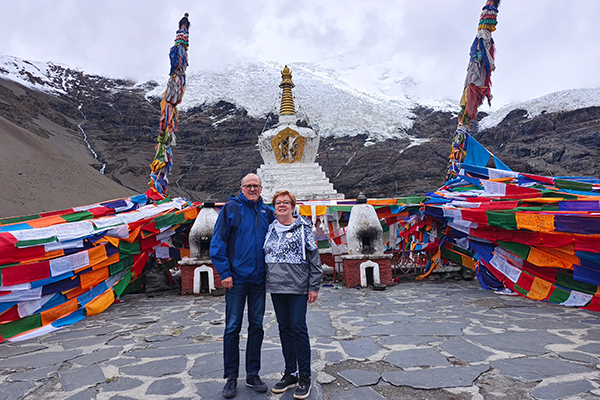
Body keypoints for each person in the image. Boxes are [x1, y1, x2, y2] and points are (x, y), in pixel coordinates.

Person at [210, 173, 274, 399]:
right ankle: (230, 377)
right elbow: (218, 243)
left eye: (256, 186)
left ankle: (253, 374)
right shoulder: (231, 208)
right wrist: (225, 273)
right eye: (248, 186)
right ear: (241, 188)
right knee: (232, 327)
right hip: (235, 280)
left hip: (258, 280)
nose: (252, 189)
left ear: (261, 188)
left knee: (256, 326)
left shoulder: (268, 212)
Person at [263, 190, 322, 399]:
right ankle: (291, 373)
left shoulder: (304, 228)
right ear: (274, 206)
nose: (282, 206)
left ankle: (305, 374)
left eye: (286, 202)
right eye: (278, 202)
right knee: (284, 329)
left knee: (298, 328)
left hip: (297, 287)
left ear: (293, 206)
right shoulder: (270, 229)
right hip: (277, 287)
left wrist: (314, 286)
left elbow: (314, 259)